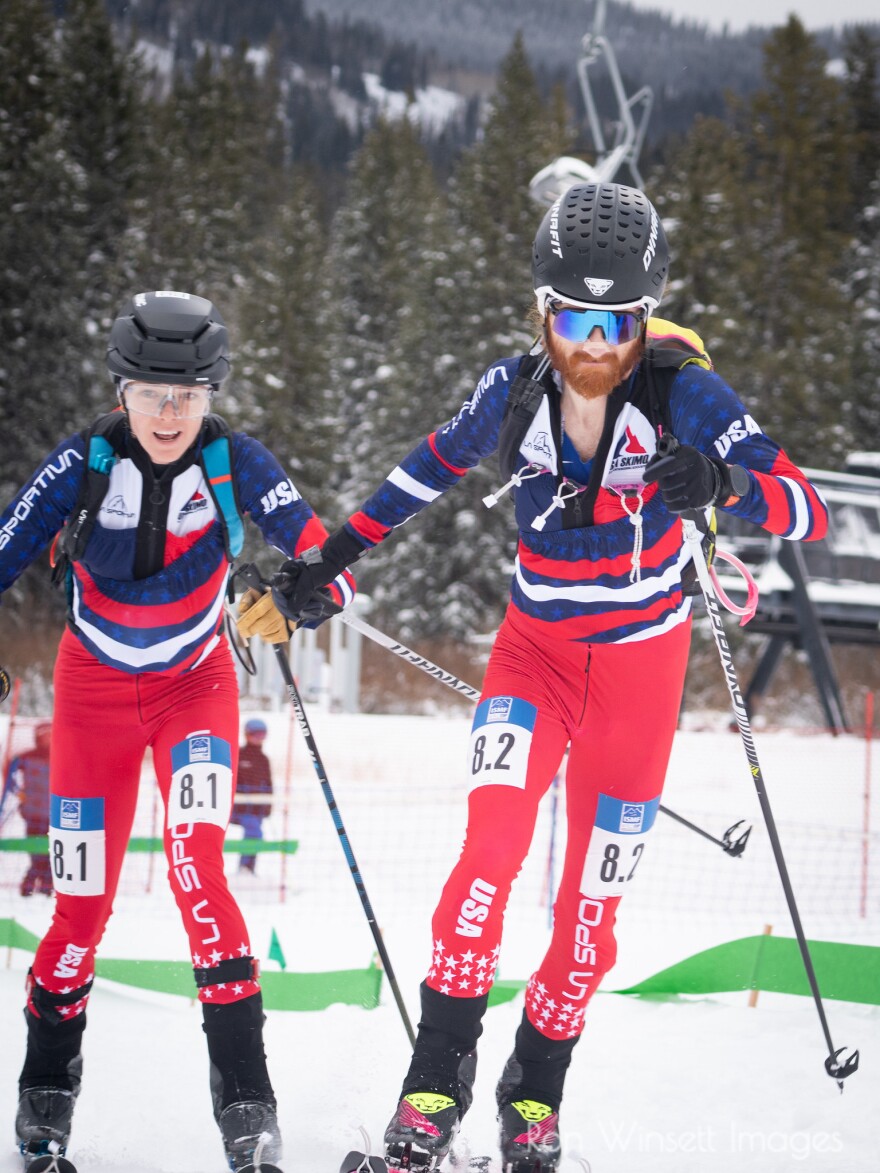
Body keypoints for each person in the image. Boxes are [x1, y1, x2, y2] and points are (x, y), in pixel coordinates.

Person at [265, 183, 829, 1173]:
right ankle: (433, 1088)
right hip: (531, 659)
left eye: (617, 321)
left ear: (643, 317)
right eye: (574, 317)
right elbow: (422, 472)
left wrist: (727, 486)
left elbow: (805, 512)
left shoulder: (685, 396)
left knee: (589, 909)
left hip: (640, 681)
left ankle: (534, 1098)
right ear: (543, 311)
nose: (595, 343)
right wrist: (327, 562)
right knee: (486, 857)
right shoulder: (511, 392)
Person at [0, 290, 354, 1171]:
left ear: (210, 395)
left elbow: (326, 560)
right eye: (151, 394)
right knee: (78, 910)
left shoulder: (236, 461)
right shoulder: (84, 459)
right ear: (120, 391)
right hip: (90, 698)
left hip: (195, 691)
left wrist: (308, 591)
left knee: (202, 878)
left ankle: (247, 1105)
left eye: (188, 396)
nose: (169, 413)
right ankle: (46, 1097)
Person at [1, 721, 53, 896]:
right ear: (38, 737)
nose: (49, 739)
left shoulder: (62, 756)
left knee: (51, 851)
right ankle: (31, 885)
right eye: (46, 735)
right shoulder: (27, 757)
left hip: (55, 813)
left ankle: (43, 885)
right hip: (33, 812)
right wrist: (18, 791)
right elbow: (9, 770)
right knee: (35, 850)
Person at [231, 718, 274, 873]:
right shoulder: (237, 755)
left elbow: (268, 785)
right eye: (255, 734)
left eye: (262, 735)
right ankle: (244, 868)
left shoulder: (264, 760)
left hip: (256, 810)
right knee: (254, 830)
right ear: (247, 734)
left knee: (254, 833)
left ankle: (248, 868)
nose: (259, 739)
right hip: (237, 809)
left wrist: (268, 806)